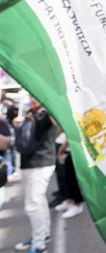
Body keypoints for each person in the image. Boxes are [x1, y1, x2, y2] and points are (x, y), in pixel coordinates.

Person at [12, 97, 57, 253]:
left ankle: (39, 245)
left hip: (41, 163)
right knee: (38, 202)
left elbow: (58, 124)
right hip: (29, 163)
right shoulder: (30, 111)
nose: (32, 97)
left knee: (33, 205)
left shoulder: (48, 111)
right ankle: (42, 235)